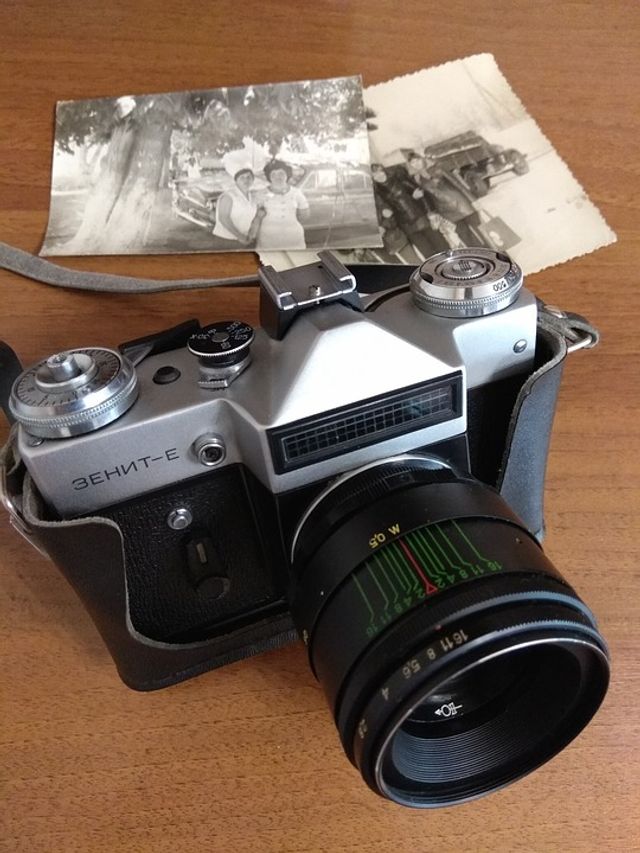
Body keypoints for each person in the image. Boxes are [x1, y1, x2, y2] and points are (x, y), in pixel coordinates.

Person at [406, 151, 493, 249]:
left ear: (422, 159)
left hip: (461, 203)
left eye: (417, 160)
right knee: (464, 236)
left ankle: (495, 252)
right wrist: (417, 199)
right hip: (445, 211)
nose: (416, 164)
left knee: (481, 230)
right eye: (413, 163)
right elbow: (427, 197)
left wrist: (472, 200)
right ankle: (481, 255)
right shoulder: (417, 179)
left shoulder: (438, 167)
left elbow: (456, 183)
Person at [370, 163, 449, 261]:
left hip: (421, 217)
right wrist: (385, 212)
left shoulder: (398, 179)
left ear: (384, 171)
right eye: (375, 176)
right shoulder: (378, 192)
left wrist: (430, 212)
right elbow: (384, 208)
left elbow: (420, 193)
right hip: (407, 226)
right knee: (428, 254)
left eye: (379, 172)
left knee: (441, 245)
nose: (379, 176)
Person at [254, 159, 309, 250]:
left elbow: (304, 215)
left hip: (293, 239)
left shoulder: (296, 193)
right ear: (269, 177)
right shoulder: (260, 194)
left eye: (281, 173)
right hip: (268, 240)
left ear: (287, 174)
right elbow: (255, 218)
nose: (277, 177)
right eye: (273, 174)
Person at [212, 168, 261, 249]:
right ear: (236, 181)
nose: (246, 180)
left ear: (253, 180)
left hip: (244, 239)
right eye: (242, 177)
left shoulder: (252, 197)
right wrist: (240, 236)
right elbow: (223, 218)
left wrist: (250, 235)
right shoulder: (229, 196)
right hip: (226, 240)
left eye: (249, 177)